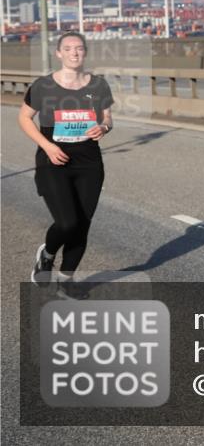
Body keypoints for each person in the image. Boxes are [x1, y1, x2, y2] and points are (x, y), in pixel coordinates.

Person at [19, 31, 114, 297]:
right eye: (69, 48)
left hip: (89, 162)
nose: (75, 52)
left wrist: (104, 127)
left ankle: (66, 280)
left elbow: (107, 118)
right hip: (53, 160)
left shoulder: (98, 85)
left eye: (79, 48)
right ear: (58, 53)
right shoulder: (43, 85)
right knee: (67, 222)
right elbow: (25, 118)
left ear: (85, 53)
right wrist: (47, 146)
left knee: (83, 223)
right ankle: (47, 255)